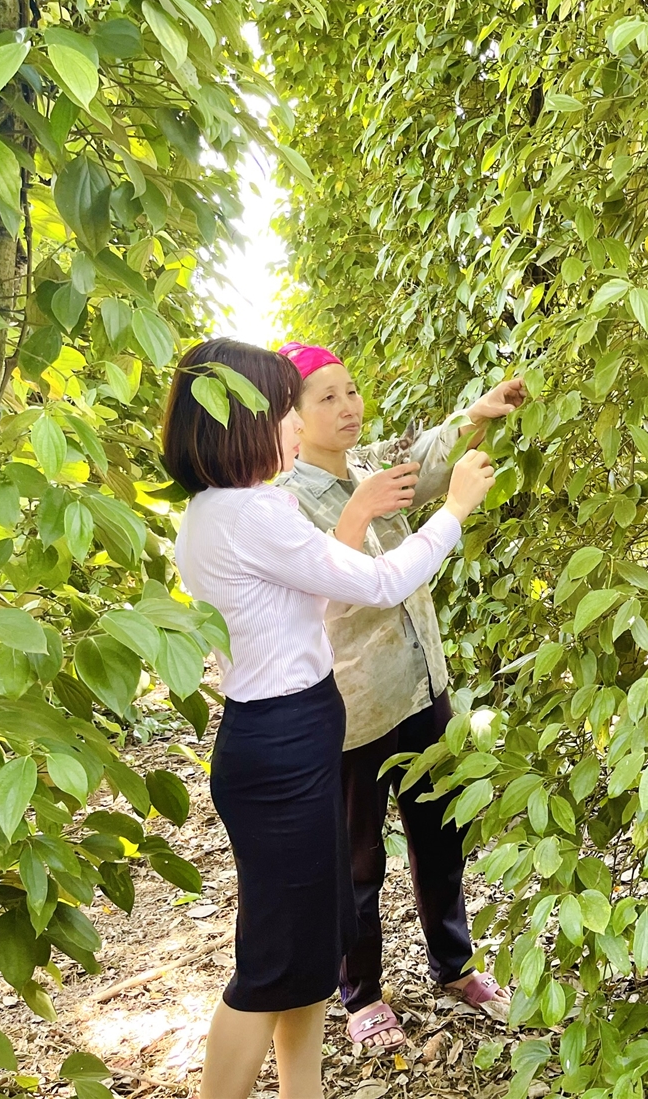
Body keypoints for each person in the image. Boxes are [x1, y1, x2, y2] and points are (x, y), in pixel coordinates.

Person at [161, 338, 495, 1099]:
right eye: (285, 407)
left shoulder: (227, 510)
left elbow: (308, 599)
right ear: (243, 422)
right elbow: (381, 581)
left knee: (305, 953)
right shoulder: (253, 513)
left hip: (284, 733)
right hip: (281, 746)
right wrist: (454, 510)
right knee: (271, 966)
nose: (294, 422)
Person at [274, 342, 524, 1051]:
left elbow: (427, 457)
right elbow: (320, 594)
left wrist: (477, 416)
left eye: (350, 391)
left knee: (441, 838)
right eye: (325, 398)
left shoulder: (366, 464)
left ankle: (455, 964)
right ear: (291, 418)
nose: (348, 406)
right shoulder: (287, 503)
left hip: (420, 687)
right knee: (356, 861)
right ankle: (361, 994)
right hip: (351, 710)